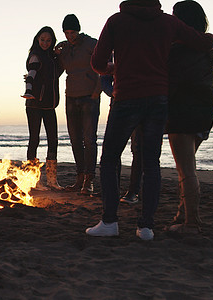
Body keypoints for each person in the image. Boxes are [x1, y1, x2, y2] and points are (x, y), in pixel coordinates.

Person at [86, 0, 213, 240]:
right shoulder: (168, 22)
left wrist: (114, 68)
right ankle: (146, 227)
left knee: (110, 159)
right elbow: (204, 42)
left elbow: (97, 63)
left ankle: (110, 222)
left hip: (126, 98)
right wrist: (212, 38)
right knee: (151, 163)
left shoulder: (117, 21)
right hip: (157, 99)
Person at [166, 0, 213, 234]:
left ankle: (192, 223)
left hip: (183, 112)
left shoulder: (180, 49)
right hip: (205, 111)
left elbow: (172, 83)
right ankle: (182, 214)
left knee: (186, 169)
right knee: (186, 168)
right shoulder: (206, 48)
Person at [55, 14, 102, 195]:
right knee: (75, 140)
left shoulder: (92, 44)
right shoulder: (65, 48)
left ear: (78, 29)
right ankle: (80, 178)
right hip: (71, 97)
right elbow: (59, 70)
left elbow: (105, 64)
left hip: (89, 97)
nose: (70, 35)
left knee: (89, 140)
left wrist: (97, 91)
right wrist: (56, 52)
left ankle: (89, 181)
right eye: (66, 32)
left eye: (72, 32)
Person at [21, 26, 64, 191]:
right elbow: (31, 74)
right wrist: (28, 90)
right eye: (42, 40)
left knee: (53, 139)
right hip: (34, 104)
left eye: (48, 40)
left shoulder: (52, 57)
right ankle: (34, 180)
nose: (45, 43)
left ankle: (52, 180)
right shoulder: (35, 56)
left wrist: (59, 55)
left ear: (52, 41)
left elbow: (56, 74)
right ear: (37, 40)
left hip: (50, 104)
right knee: (35, 138)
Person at [101, 73, 143, 204]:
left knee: (137, 148)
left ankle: (133, 191)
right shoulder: (116, 54)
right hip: (120, 100)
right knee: (113, 149)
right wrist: (113, 92)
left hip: (142, 99)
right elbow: (104, 76)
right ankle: (113, 189)